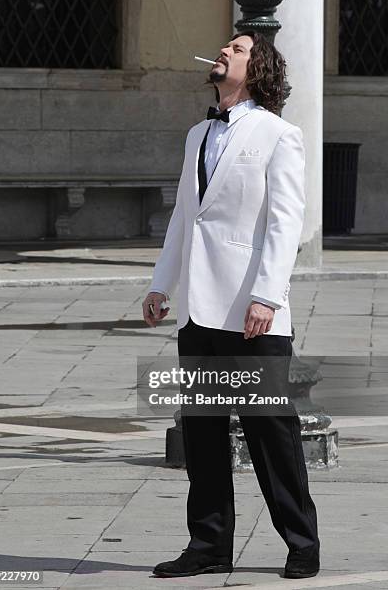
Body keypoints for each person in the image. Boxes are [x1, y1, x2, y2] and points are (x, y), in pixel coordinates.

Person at [142, 31, 320, 580]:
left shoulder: (279, 135)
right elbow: (184, 217)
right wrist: (161, 284)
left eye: (238, 49)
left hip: (253, 314)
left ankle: (301, 542)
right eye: (225, 45)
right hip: (200, 312)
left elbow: (284, 224)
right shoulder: (198, 133)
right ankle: (209, 545)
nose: (224, 50)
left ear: (258, 68)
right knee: (203, 434)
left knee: (272, 434)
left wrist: (267, 295)